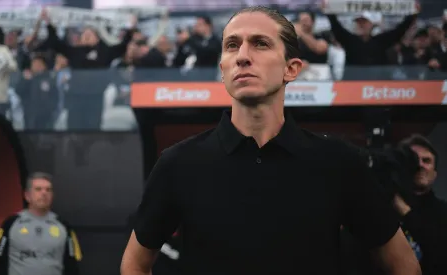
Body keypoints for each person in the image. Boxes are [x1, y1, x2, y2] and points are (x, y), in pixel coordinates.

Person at [120, 6, 420, 275]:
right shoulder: (178, 163)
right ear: (222, 70)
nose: (243, 56)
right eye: (232, 45)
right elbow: (134, 263)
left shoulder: (339, 162)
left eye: (260, 43)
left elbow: (402, 263)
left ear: (292, 68)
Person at [0, 172, 82, 275]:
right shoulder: (10, 224)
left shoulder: (64, 226)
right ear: (27, 195)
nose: (44, 193)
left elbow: (73, 265)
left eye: (48, 190)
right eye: (38, 189)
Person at [393, 134, 447, 275]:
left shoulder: (443, 213)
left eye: (426, 161)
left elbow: (440, 253)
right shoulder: (383, 208)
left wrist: (404, 210)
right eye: (413, 159)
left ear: (434, 173)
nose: (420, 165)